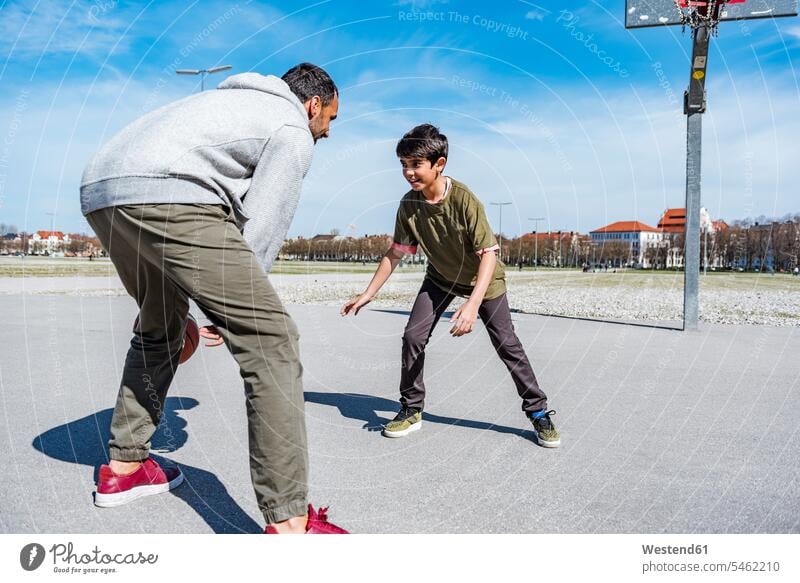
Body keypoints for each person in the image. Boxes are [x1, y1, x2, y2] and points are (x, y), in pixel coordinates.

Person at [80, 63, 347, 534]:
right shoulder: (291, 128)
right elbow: (262, 229)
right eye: (330, 119)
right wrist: (227, 313)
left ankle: (124, 469)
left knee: (161, 324)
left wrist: (190, 304)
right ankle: (290, 525)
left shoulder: (222, 103)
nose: (326, 132)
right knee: (271, 338)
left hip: (103, 189)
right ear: (313, 104)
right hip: (170, 193)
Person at [340, 124, 559, 447]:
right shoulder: (409, 205)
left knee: (507, 345)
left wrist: (472, 305)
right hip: (440, 277)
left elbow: (488, 256)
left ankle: (538, 412)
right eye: (403, 164)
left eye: (415, 164)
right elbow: (397, 252)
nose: (408, 172)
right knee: (413, 336)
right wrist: (368, 293)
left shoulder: (465, 200)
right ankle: (411, 409)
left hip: (484, 280)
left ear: (439, 164)